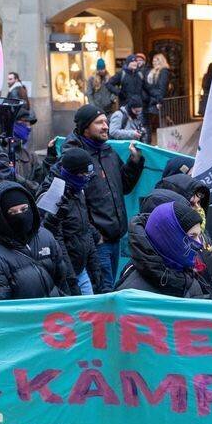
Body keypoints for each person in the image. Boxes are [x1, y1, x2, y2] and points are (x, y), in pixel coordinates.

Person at [66, 104, 145, 290]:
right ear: (85, 128)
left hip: (115, 238)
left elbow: (124, 187)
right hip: (97, 242)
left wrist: (134, 162)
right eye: (99, 122)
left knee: (111, 287)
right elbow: (73, 201)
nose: (105, 126)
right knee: (105, 290)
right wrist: (95, 234)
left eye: (106, 122)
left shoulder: (108, 151)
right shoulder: (76, 158)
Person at [0, 181, 77, 300]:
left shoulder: (46, 237)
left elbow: (62, 283)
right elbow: (0, 310)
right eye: (12, 212)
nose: (20, 216)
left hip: (55, 316)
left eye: (24, 209)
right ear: (0, 217)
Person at [153, 174, 212, 302]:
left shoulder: (199, 231)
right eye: (192, 203)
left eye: (199, 203)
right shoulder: (160, 244)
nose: (198, 208)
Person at [37, 146, 104, 294]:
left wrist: (95, 268)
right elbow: (56, 239)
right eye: (84, 174)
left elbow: (84, 230)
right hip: (65, 275)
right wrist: (71, 279)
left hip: (81, 270)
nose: (87, 178)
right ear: (73, 174)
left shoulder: (78, 190)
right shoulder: (53, 196)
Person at [115, 200, 210, 298]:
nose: (200, 244)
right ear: (170, 238)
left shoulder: (187, 276)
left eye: (199, 236)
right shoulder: (131, 293)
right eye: (192, 236)